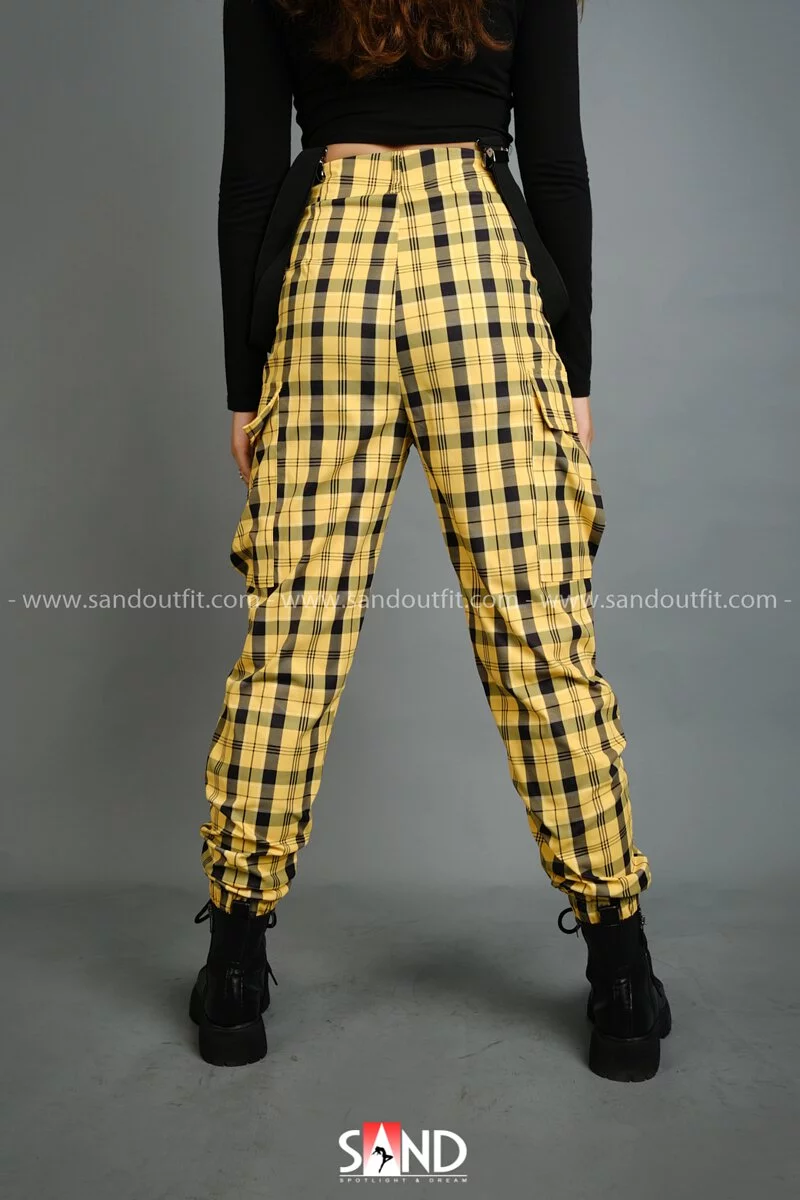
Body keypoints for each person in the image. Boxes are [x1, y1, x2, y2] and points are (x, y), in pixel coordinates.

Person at [189, 0, 672, 1080]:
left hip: (328, 267)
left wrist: (243, 384)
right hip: (481, 270)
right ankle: (621, 977)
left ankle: (233, 968)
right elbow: (556, 165)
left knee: (293, 638)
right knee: (536, 628)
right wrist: (574, 367)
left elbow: (248, 178)